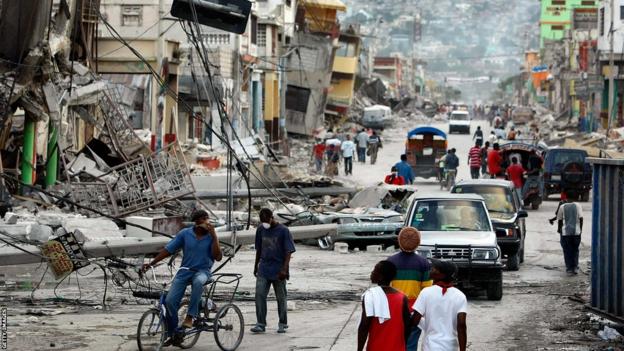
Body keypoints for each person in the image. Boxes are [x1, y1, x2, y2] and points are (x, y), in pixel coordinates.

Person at [141, 210, 223, 346]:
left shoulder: (211, 236)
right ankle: (174, 333)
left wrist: (214, 236)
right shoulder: (185, 234)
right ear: (196, 223)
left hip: (203, 271)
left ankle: (190, 316)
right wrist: (151, 264)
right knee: (170, 302)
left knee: (198, 282)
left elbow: (218, 257)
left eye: (206, 219)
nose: (204, 223)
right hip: (184, 271)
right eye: (201, 220)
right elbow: (168, 250)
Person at [251, 208, 296, 333]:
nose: (264, 223)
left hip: (279, 269)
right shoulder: (261, 230)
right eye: (262, 221)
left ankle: (282, 323)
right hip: (264, 267)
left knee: (281, 297)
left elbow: (288, 252)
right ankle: (260, 323)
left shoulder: (283, 231)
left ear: (272, 218)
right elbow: (259, 249)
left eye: (266, 220)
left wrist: (284, 269)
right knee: (259, 295)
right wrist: (256, 266)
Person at [387, 228, 432, 351]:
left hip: (394, 309)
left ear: (399, 241)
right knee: (411, 344)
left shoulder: (390, 262)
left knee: (394, 341)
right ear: (418, 242)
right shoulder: (424, 263)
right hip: (415, 310)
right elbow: (427, 291)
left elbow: (385, 287)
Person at [411, 259, 467, 351]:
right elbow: (461, 325)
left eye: (435, 268)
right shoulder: (460, 296)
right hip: (450, 347)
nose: (431, 269)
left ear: (442, 274)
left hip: (430, 346)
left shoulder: (426, 292)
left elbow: (415, 321)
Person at [357, 261, 410, 351]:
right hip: (397, 347)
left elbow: (364, 325)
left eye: (375, 270)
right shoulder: (402, 297)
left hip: (376, 346)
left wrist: (359, 349)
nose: (372, 273)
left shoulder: (370, 295)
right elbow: (408, 325)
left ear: (380, 277)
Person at [556, 191, 584, 275]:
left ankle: (569, 268)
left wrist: (559, 229)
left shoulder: (562, 206)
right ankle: (575, 267)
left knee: (567, 250)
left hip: (565, 233)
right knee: (575, 250)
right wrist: (581, 229)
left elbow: (560, 220)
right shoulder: (578, 205)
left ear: (566, 197)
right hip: (576, 232)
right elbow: (581, 218)